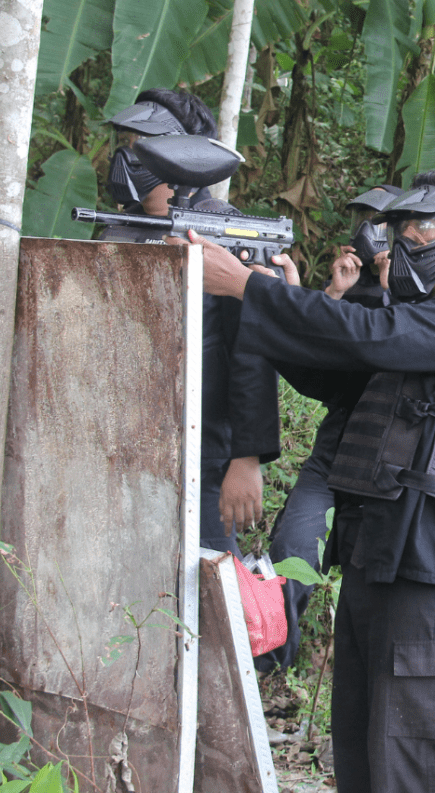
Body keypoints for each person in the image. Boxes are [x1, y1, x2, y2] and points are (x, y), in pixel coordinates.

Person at [188, 170, 435, 793]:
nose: (403, 243)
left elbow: (368, 335)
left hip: (432, 554)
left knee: (410, 756)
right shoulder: (417, 320)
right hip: (378, 549)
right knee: (360, 745)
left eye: (421, 228)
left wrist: (250, 291)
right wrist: (267, 296)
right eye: (398, 230)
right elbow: (332, 376)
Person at [101, 88, 282, 555]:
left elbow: (254, 350)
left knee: (207, 574)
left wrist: (246, 458)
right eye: (127, 144)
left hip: (205, 445)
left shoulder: (225, 233)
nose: (129, 157)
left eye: (143, 146)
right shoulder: (118, 228)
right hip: (123, 435)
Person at [263, 184, 401, 672]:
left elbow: (398, 352)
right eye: (363, 219)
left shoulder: (424, 298)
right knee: (290, 554)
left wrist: (393, 291)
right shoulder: (348, 289)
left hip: (390, 467)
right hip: (335, 453)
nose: (368, 232)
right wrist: (334, 292)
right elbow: (313, 365)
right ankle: (269, 667)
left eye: (380, 222)